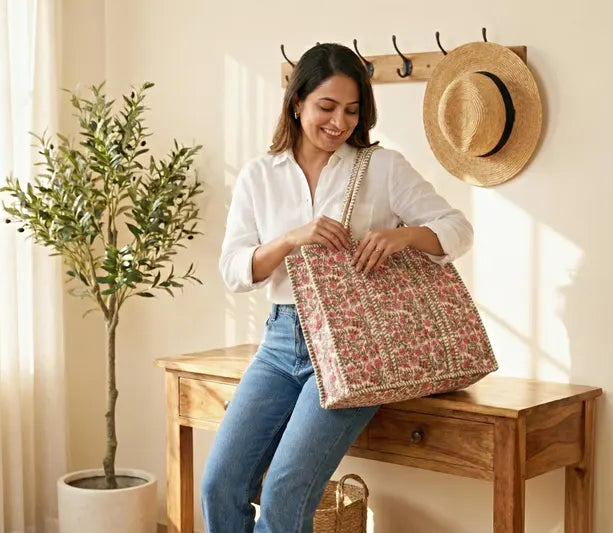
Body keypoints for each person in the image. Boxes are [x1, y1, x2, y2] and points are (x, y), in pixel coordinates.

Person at [203, 42, 473, 533]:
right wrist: (290, 239)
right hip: (280, 342)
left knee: (285, 492)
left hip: (358, 348)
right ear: (297, 102)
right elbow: (233, 270)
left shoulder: (381, 167)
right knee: (219, 484)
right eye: (326, 107)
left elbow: (457, 228)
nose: (339, 122)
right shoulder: (260, 175)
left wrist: (403, 236)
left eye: (351, 110)